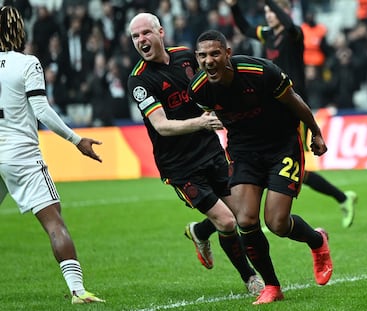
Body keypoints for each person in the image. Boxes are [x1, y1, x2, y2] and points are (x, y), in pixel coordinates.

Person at [188, 29, 333, 305]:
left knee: (277, 223)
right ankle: (272, 286)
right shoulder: (199, 90)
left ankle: (317, 241)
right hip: (244, 151)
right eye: (203, 55)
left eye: (215, 53)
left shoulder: (260, 71)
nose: (209, 60)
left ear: (227, 54)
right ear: (197, 58)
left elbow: (296, 102)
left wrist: (315, 132)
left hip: (282, 145)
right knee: (245, 220)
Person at [127, 12, 264, 295]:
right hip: (179, 166)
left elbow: (213, 85)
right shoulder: (139, 81)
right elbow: (162, 126)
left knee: (241, 215)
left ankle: (200, 232)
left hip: (211, 151)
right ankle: (251, 279)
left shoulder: (187, 57)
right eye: (135, 36)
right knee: (226, 221)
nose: (141, 40)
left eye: (146, 33)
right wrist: (202, 121)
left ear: (160, 32)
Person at [0, 6, 104, 304]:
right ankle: (78, 291)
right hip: (20, 154)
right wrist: (76, 139)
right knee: (53, 221)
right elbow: (42, 110)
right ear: (22, 31)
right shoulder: (28, 63)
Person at [224, 0, 357, 228]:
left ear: (284, 11)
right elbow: (245, 28)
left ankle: (341, 197)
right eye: (266, 12)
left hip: (293, 106)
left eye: (272, 12)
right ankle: (340, 197)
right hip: (272, 106)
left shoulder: (294, 34)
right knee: (277, 162)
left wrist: (270, 2)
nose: (269, 16)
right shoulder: (268, 35)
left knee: (292, 165)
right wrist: (234, 6)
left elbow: (288, 23)